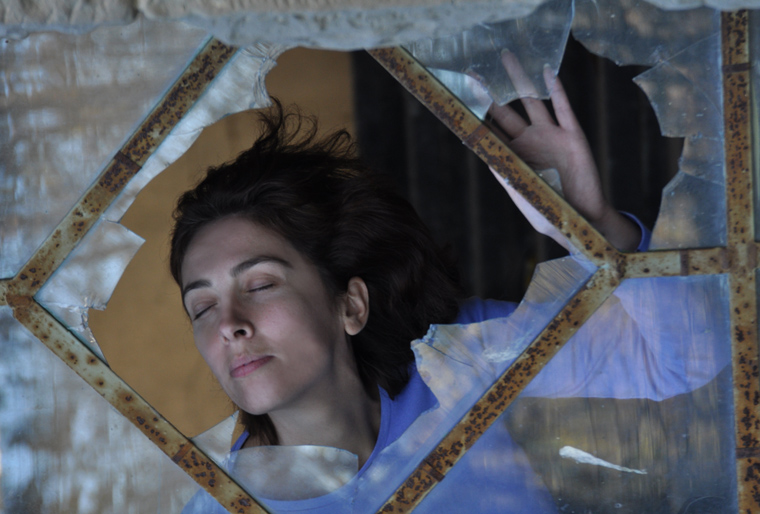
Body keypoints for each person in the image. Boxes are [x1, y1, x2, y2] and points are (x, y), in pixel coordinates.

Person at [174, 62, 729, 513]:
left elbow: (680, 360)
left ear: (351, 304)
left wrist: (593, 229)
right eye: (201, 307)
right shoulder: (217, 505)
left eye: (260, 284)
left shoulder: (458, 361)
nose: (229, 325)